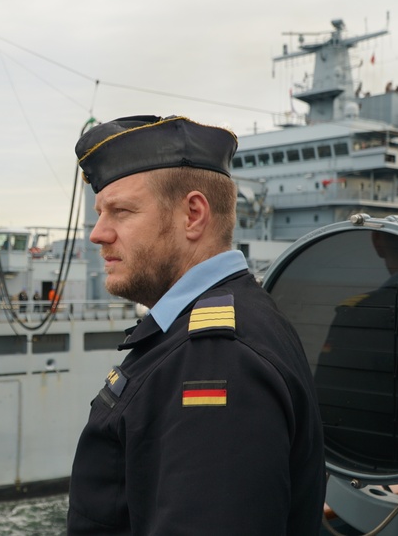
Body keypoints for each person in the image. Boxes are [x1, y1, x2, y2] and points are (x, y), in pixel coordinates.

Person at [67, 115, 325, 535]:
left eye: (120, 211)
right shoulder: (229, 322)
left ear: (193, 215)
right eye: (100, 213)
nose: (98, 233)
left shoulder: (217, 359)